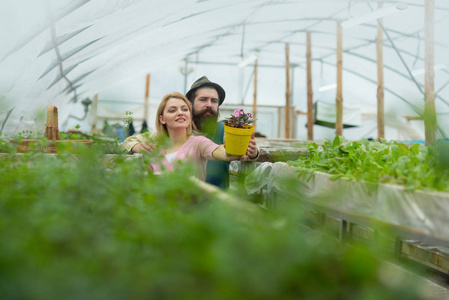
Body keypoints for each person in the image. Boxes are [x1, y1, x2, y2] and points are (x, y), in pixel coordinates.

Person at [121, 76, 259, 188]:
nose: (209, 105)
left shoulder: (223, 131)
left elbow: (230, 150)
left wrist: (253, 152)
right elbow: (128, 141)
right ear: (191, 104)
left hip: (213, 207)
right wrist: (135, 146)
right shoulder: (161, 137)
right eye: (203, 99)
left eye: (214, 101)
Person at [147, 92, 241, 180]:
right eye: (172, 110)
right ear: (162, 119)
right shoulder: (154, 151)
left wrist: (235, 147)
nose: (180, 113)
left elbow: (222, 152)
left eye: (184, 109)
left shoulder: (198, 143)